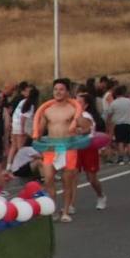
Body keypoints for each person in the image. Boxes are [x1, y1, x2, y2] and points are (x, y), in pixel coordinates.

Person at [32, 79, 87, 222]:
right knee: (48, 178)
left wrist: (80, 127)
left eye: (61, 89)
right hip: (51, 148)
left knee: (67, 180)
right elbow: (41, 129)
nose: (58, 92)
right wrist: (36, 137)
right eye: (56, 89)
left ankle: (66, 211)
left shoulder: (73, 108)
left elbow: (86, 127)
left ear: (67, 92)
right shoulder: (47, 110)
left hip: (68, 148)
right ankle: (53, 209)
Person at [105, 84, 130, 164]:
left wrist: (108, 124)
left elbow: (109, 115)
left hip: (118, 124)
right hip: (129, 123)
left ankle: (121, 159)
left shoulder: (114, 103)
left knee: (120, 142)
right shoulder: (129, 101)